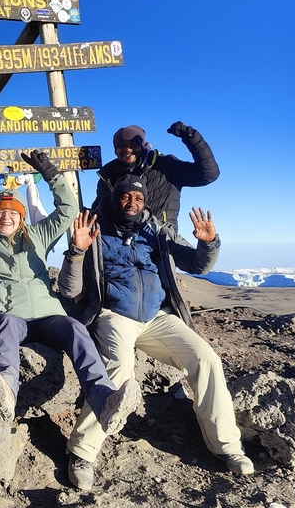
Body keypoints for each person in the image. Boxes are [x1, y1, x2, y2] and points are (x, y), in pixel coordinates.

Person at [59, 174, 253, 491]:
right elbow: (69, 290)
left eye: (139, 198)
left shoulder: (157, 230)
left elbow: (197, 264)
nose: (132, 202)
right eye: (125, 196)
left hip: (158, 316)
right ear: (114, 198)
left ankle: (227, 446)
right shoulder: (94, 228)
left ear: (145, 201)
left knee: (206, 359)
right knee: (119, 371)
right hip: (115, 316)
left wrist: (208, 244)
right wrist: (77, 252)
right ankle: (82, 452)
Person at [0, 152, 140, 435]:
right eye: (0, 212)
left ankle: (104, 400)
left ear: (22, 216)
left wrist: (50, 173)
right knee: (4, 327)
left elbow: (68, 209)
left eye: (13, 212)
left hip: (49, 317)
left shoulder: (39, 235)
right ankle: (5, 396)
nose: (6, 216)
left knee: (76, 329)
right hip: (11, 315)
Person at [94, 122, 219, 229]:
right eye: (121, 145)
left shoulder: (166, 166)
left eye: (133, 144)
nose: (127, 149)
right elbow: (99, 211)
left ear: (142, 145)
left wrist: (190, 136)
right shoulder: (108, 175)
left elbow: (208, 174)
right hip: (119, 244)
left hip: (160, 241)